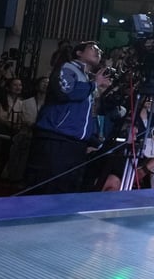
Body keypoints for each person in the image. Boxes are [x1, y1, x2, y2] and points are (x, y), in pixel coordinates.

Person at [24, 41, 113, 194]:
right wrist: (94, 85)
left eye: (99, 50)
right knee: (47, 186)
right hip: (57, 137)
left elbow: (84, 114)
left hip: (75, 142)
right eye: (93, 48)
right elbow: (65, 92)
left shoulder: (86, 77)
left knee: (66, 187)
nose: (98, 52)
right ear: (79, 53)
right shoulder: (68, 67)